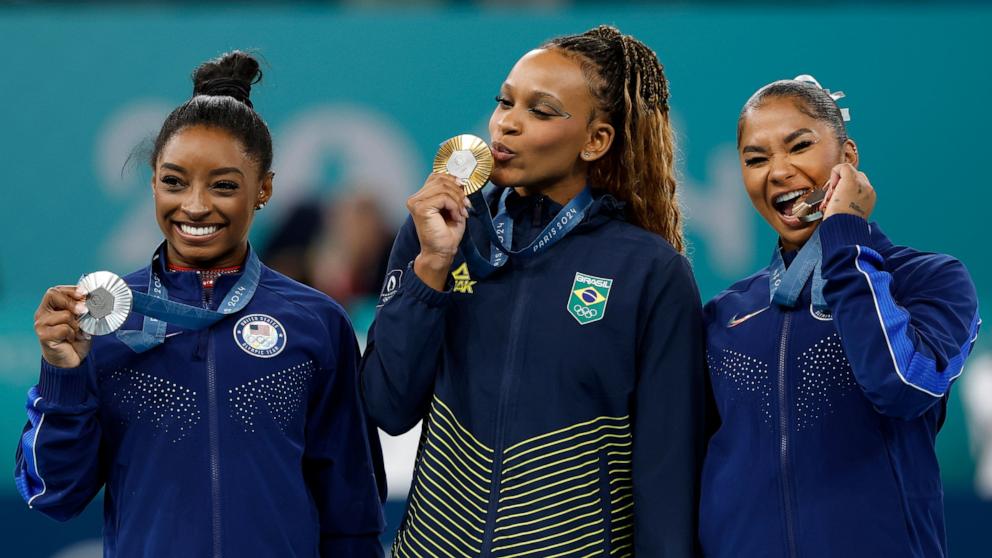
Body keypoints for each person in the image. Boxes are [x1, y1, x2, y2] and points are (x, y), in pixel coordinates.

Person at [15, 51, 385, 557]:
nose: (194, 205)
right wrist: (63, 375)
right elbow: (52, 493)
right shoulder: (101, 320)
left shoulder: (316, 322)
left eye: (224, 186)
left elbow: (352, 514)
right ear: (152, 183)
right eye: (174, 181)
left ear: (265, 189)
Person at [361, 25, 706, 557]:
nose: (507, 124)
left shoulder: (649, 271)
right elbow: (387, 405)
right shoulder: (442, 233)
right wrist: (431, 266)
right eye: (505, 102)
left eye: (542, 112)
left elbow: (667, 476)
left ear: (596, 140)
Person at [699, 75, 981, 557]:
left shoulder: (929, 281)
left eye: (799, 146)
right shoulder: (726, 315)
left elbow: (900, 385)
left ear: (848, 157)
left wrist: (846, 239)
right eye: (756, 158)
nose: (779, 171)